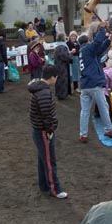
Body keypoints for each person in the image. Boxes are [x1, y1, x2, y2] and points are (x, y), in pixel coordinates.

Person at [29, 64, 67, 199]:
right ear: (52, 77)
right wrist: (50, 130)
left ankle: (44, 185)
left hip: (39, 130)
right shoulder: (44, 92)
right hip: (44, 131)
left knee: (43, 159)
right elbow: (47, 114)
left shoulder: (39, 89)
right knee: (49, 161)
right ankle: (55, 189)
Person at [79, 23, 112, 143]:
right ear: (87, 41)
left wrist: (108, 39)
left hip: (85, 85)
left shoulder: (83, 52)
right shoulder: (87, 49)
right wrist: (102, 29)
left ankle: (83, 134)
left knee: (84, 111)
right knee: (103, 107)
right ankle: (109, 129)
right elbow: (96, 43)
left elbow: (99, 49)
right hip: (94, 84)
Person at [52, 33, 72, 100]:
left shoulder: (57, 46)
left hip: (57, 65)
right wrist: (70, 56)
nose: (66, 37)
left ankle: (59, 94)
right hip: (62, 66)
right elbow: (65, 56)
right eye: (65, 36)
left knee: (58, 80)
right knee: (62, 80)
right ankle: (62, 95)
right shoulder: (62, 46)